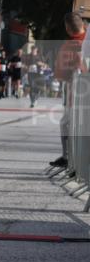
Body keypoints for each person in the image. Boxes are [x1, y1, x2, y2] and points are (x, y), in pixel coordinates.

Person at [50, 12, 86, 169]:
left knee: (67, 123)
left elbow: (61, 74)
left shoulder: (69, 45)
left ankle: (69, 159)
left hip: (76, 94)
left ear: (67, 28)